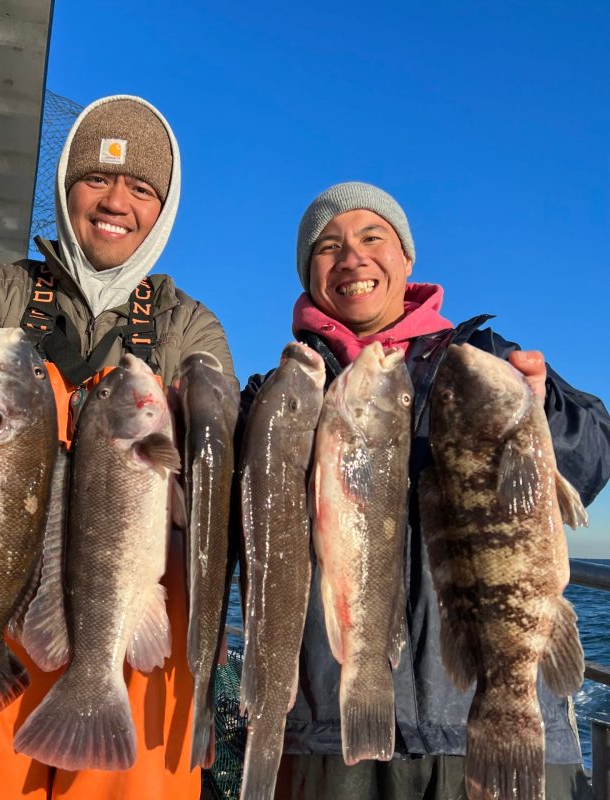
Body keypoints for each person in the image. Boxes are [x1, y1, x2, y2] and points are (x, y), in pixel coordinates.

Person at [0, 95, 237, 800]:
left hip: (127, 622)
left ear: (163, 208)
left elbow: (221, 447)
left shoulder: (188, 324)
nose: (116, 201)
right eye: (96, 179)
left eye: (141, 188)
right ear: (65, 190)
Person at [241, 181, 610, 800]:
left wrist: (542, 409)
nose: (353, 257)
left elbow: (592, 455)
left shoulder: (480, 358)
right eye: (328, 247)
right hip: (333, 736)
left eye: (372, 237)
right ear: (309, 274)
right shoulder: (284, 392)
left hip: (492, 723)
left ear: (406, 259)